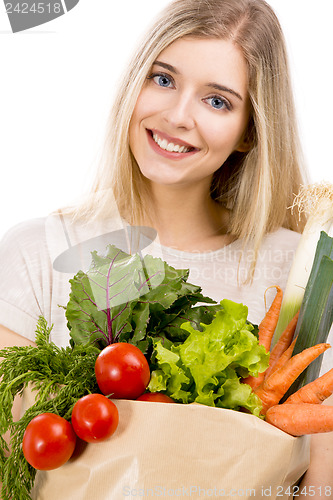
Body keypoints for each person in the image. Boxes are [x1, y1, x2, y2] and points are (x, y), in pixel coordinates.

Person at [0, 0, 332, 496]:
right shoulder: (38, 250)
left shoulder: (298, 269)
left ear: (249, 133)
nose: (177, 115)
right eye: (163, 79)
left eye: (217, 101)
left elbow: (313, 472)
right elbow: (11, 460)